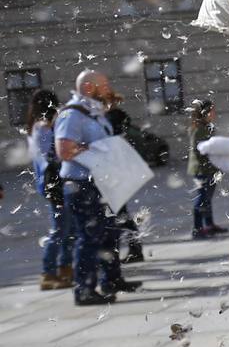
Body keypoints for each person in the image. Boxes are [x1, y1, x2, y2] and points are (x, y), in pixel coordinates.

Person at [54, 71, 142, 307]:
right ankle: (84, 290)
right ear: (90, 87)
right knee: (89, 237)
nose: (109, 88)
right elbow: (64, 150)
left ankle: (111, 281)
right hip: (81, 185)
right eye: (105, 85)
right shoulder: (73, 115)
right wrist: (99, 150)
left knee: (110, 233)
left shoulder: (93, 112)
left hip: (101, 182)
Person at [26, 89, 72, 290]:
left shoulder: (34, 127)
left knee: (66, 227)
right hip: (53, 182)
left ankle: (64, 268)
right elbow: (52, 156)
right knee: (61, 229)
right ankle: (49, 272)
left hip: (48, 182)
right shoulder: (43, 128)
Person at [104, 93, 146, 263]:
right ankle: (134, 249)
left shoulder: (111, 118)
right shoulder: (119, 117)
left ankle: (133, 250)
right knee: (120, 214)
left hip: (111, 171)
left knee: (118, 215)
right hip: (116, 170)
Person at [186, 99, 229, 239]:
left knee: (207, 199)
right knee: (201, 199)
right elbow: (198, 150)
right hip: (201, 170)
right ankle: (197, 229)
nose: (214, 113)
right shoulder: (198, 129)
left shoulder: (207, 127)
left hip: (210, 169)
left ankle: (209, 225)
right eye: (212, 110)